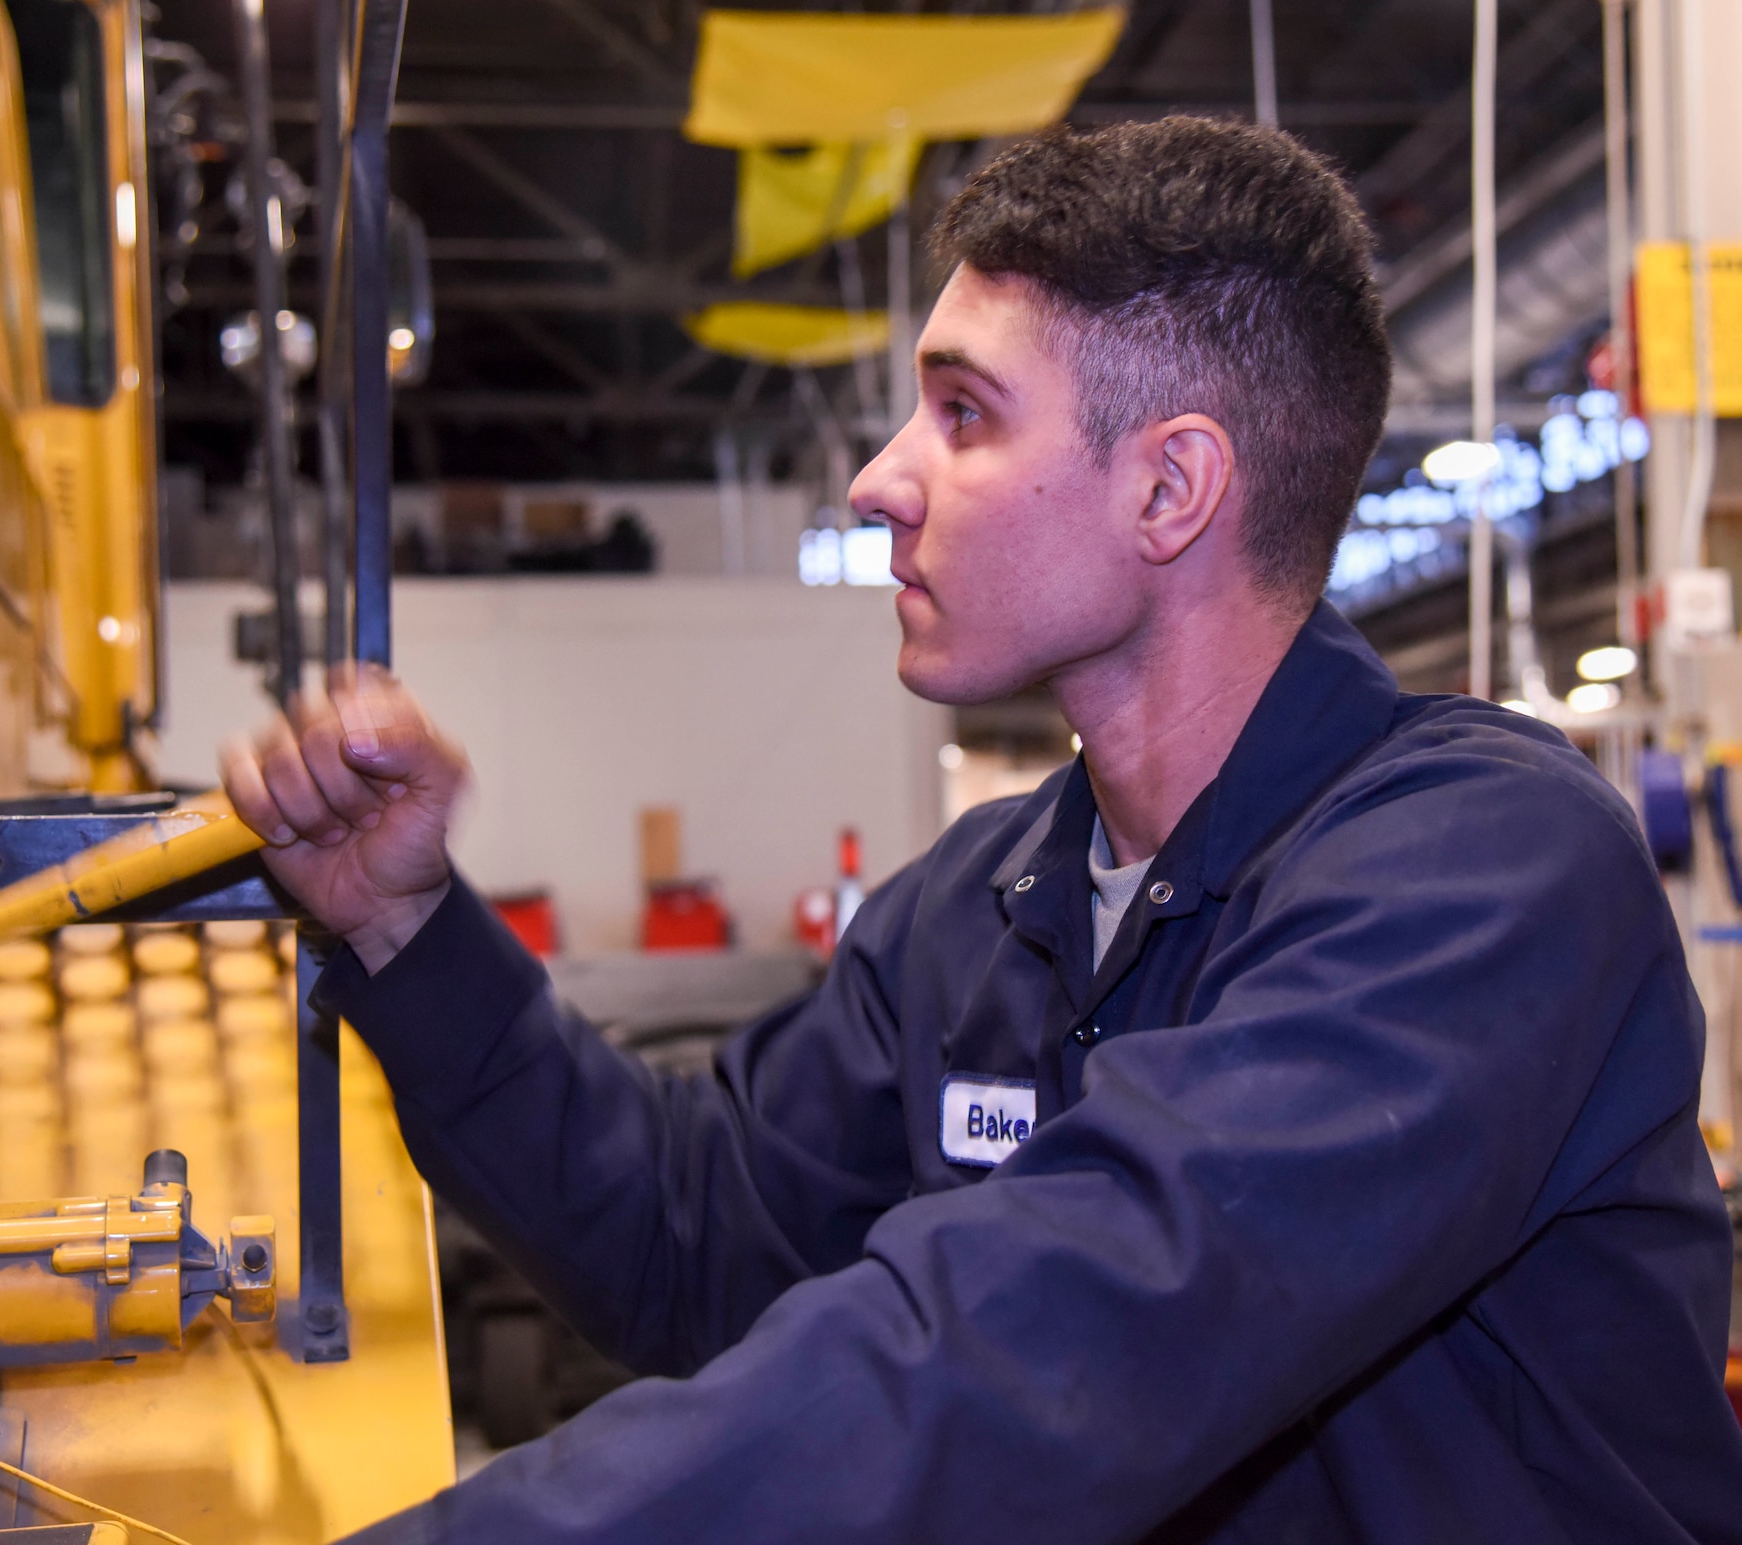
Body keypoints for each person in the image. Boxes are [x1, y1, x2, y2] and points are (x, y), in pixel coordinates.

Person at [222, 119, 1742, 1543]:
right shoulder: (989, 901)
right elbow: (694, 1239)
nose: (881, 479)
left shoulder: (1486, 870)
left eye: (963, 413)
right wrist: (400, 927)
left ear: (1171, 485)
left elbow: (1036, 1346)